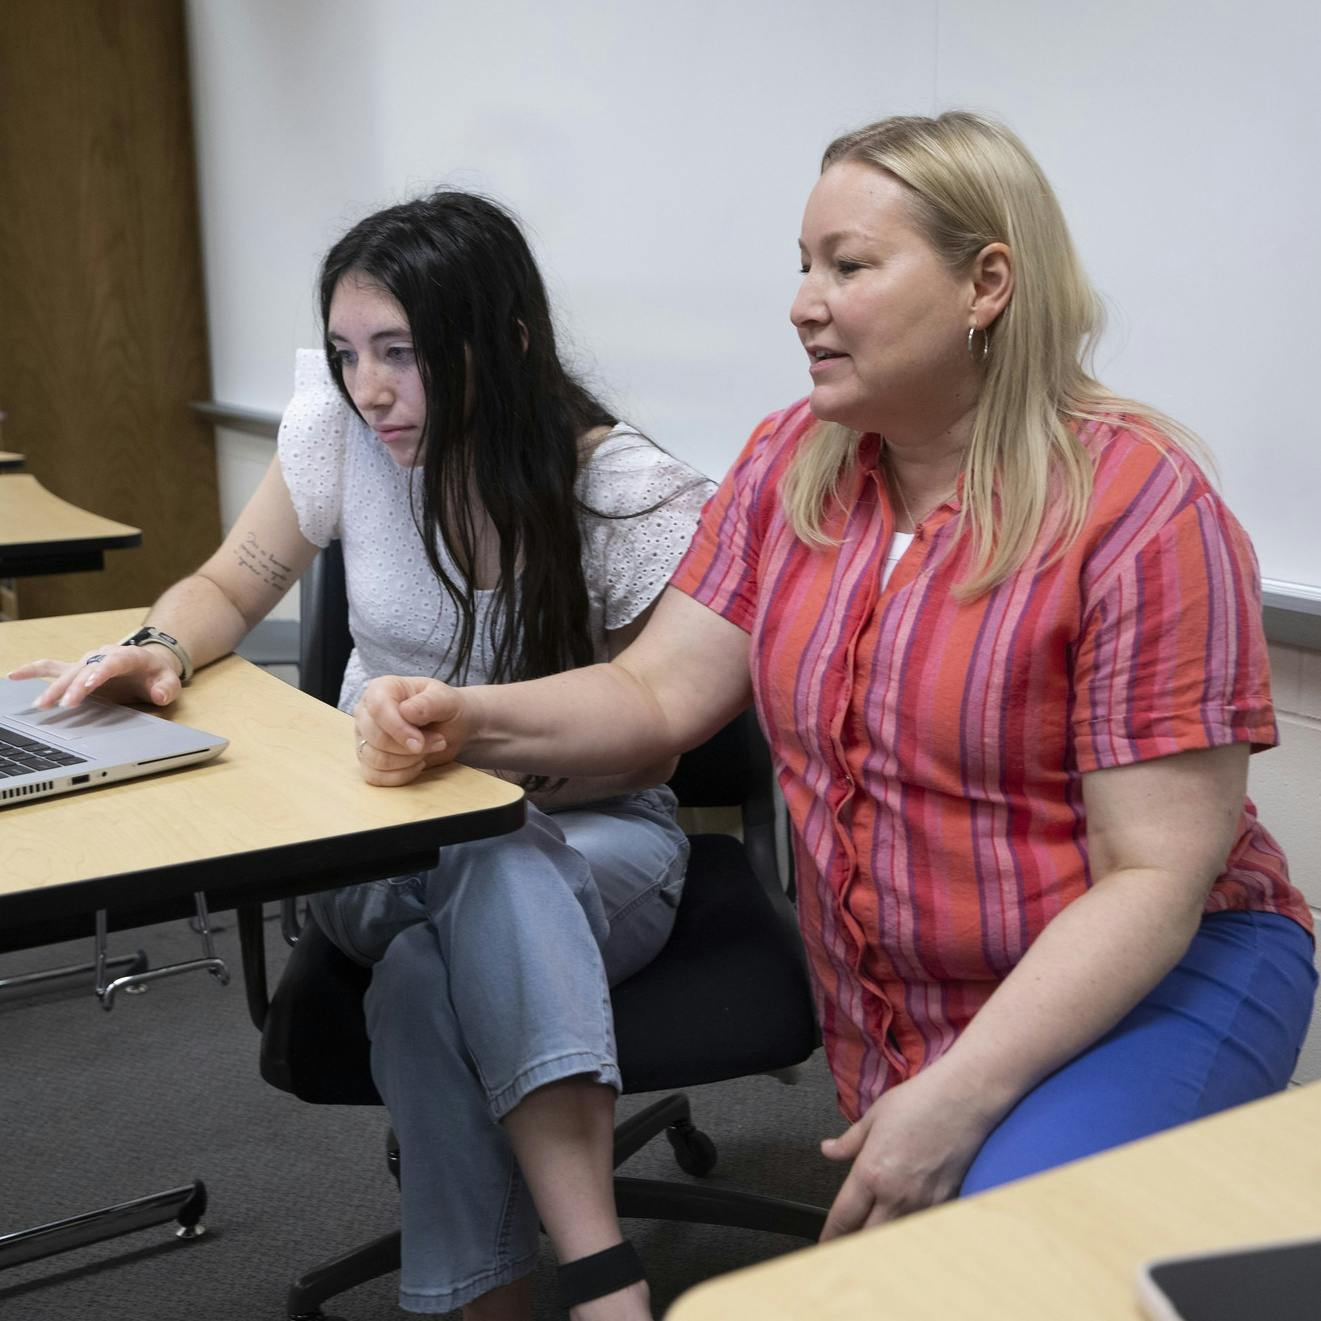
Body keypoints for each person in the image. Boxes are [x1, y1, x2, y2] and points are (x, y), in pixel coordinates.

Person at [351, 114, 1316, 1243]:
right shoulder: (788, 465)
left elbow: (1153, 874)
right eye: (803, 267)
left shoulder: (1139, 509)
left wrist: (957, 1095)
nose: (804, 301)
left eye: (847, 266)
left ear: (985, 283)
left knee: (1012, 1258)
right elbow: (657, 693)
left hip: (1158, 978)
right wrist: (468, 716)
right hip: (910, 1002)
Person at [11, 191, 712, 1320]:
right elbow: (232, 581)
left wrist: (474, 738)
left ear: (507, 342)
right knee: (482, 862)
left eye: (401, 352)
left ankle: (478, 1300)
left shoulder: (623, 494)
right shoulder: (340, 437)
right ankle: (604, 1277)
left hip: (596, 834)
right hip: (372, 840)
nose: (367, 388)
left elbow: (653, 717)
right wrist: (157, 645)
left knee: (455, 929)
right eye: (346, 353)